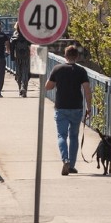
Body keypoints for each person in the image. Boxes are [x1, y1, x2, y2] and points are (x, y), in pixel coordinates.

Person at [44, 45, 92, 175]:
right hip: (76, 108)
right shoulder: (81, 71)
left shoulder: (57, 69)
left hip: (61, 107)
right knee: (74, 137)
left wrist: (57, 83)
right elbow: (87, 90)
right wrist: (89, 107)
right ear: (76, 57)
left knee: (62, 135)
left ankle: (65, 159)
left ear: (65, 56)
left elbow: (48, 87)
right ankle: (71, 165)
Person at [10, 22, 31, 97]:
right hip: (26, 57)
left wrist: (12, 57)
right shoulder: (27, 36)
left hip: (17, 57)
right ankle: (23, 88)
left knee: (19, 74)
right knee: (25, 73)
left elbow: (11, 47)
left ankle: (21, 89)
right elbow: (32, 45)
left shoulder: (15, 36)